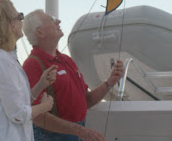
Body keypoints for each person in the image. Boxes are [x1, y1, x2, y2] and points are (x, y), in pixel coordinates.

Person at [22, 9, 125, 141]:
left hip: (76, 133)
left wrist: (109, 82)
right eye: (51, 20)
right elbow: (36, 116)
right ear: (40, 32)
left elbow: (86, 100)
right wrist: (79, 131)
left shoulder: (66, 60)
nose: (58, 21)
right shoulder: (32, 65)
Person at [0, 0, 58, 141]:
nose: (22, 21)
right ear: (12, 25)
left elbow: (18, 102)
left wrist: (40, 85)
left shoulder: (3, 59)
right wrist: (45, 106)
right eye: (21, 16)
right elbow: (18, 114)